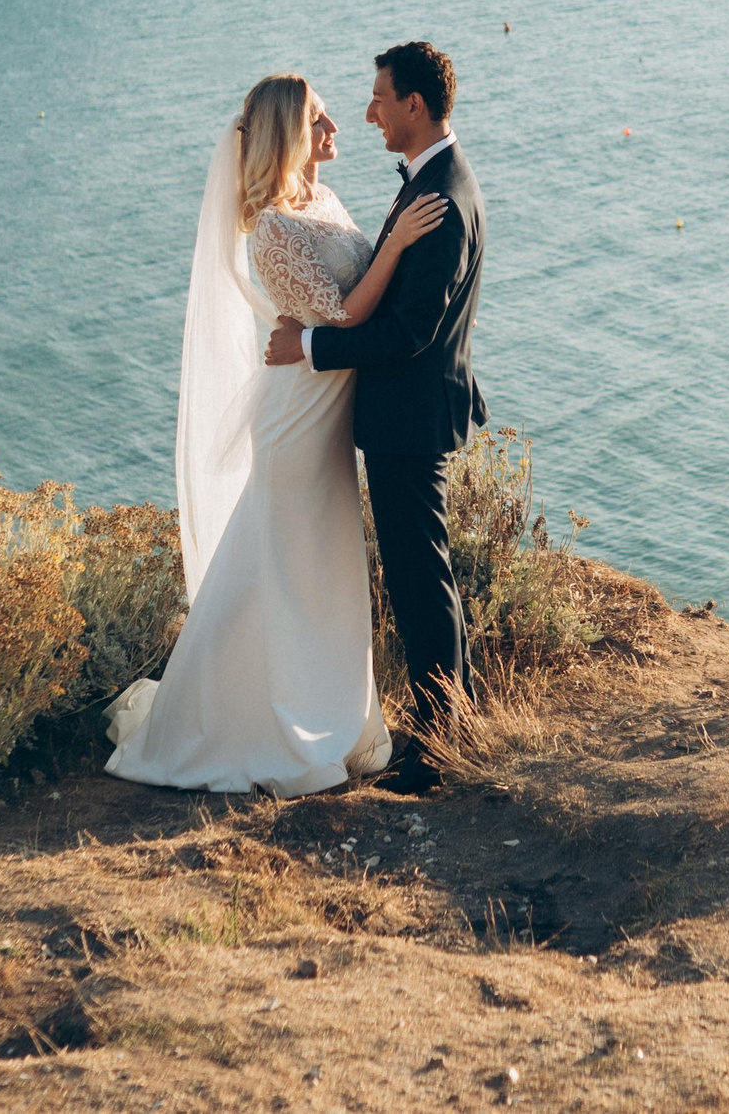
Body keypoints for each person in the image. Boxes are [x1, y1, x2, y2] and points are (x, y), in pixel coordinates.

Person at [104, 71, 448, 796]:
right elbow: (345, 315)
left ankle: (334, 715)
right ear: (290, 131)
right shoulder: (269, 227)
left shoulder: (324, 198)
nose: (336, 129)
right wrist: (400, 242)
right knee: (288, 566)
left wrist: (392, 245)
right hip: (299, 418)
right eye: (320, 120)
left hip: (330, 410)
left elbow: (341, 305)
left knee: (324, 569)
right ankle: (267, 722)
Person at [265, 40, 486, 795]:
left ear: (414, 106)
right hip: (407, 413)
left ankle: (433, 750)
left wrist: (311, 343)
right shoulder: (434, 183)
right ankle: (459, 719)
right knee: (428, 575)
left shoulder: (443, 201)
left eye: (380, 99)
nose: (369, 113)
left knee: (421, 581)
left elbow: (407, 332)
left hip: (408, 417)